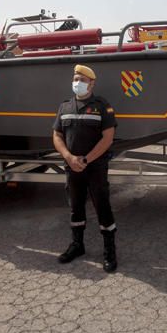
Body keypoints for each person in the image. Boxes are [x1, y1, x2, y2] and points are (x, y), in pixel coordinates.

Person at [53, 64, 118, 273]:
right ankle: (77, 245)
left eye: (81, 79)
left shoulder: (102, 106)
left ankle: (109, 251)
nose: (77, 82)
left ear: (92, 83)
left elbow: (108, 138)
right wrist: (69, 157)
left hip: (95, 168)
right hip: (72, 167)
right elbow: (57, 135)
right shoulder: (65, 107)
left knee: (102, 207)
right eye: (75, 78)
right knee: (75, 207)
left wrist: (86, 159)